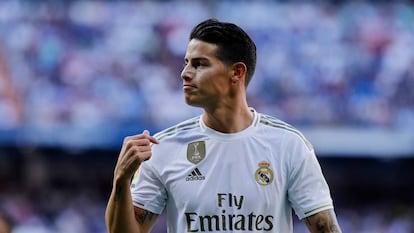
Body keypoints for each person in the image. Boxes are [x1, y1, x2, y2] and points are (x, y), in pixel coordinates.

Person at [105, 18, 342, 233]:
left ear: (236, 72)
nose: (184, 73)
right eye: (186, 63)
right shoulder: (163, 147)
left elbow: (325, 228)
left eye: (199, 64)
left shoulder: (289, 145)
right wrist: (121, 180)